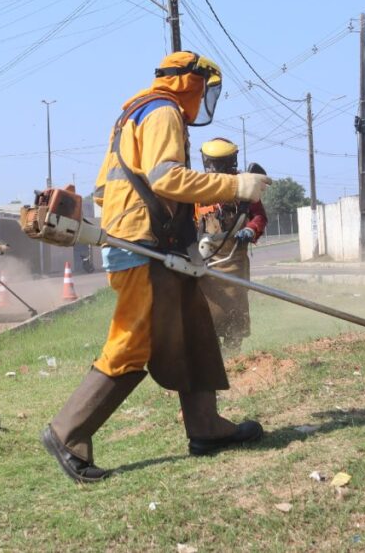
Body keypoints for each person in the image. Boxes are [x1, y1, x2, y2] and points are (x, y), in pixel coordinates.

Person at [40, 51, 272, 483]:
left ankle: (206, 427)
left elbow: (105, 191)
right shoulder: (163, 112)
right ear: (191, 82)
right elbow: (167, 178)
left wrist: (185, 243)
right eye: (205, 88)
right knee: (133, 342)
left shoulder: (134, 114)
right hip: (143, 246)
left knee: (195, 330)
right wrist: (236, 185)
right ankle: (68, 432)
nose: (205, 98)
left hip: (157, 243)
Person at [195, 138, 268, 355]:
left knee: (235, 310)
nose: (215, 169)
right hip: (206, 263)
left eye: (220, 163)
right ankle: (215, 357)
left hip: (235, 260)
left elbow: (260, 216)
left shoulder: (244, 184)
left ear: (230, 161)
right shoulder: (198, 187)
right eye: (212, 163)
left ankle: (234, 354)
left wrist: (251, 229)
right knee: (207, 313)